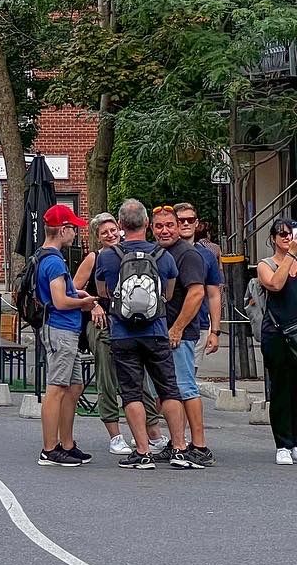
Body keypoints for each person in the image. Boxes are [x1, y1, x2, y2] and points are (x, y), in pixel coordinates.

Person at [93, 199, 191, 470]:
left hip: (123, 332)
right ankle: (179, 449)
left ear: (121, 225)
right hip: (157, 330)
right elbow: (168, 295)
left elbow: (102, 291)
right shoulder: (164, 256)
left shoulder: (107, 256)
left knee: (132, 393)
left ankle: (143, 451)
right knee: (169, 389)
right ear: (148, 224)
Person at [71, 212, 167, 456]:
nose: (110, 235)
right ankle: (115, 435)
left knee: (139, 379)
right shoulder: (94, 258)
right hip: (102, 325)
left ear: (121, 228)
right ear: (97, 237)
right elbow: (73, 290)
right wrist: (94, 304)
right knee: (108, 378)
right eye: (104, 232)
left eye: (113, 230)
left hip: (130, 324)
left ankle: (152, 431)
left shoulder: (129, 254)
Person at [33, 205, 101, 466]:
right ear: (62, 230)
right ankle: (49, 449)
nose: (75, 232)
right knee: (57, 387)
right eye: (72, 228)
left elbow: (63, 293)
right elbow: (60, 301)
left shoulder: (44, 256)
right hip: (61, 328)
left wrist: (77, 293)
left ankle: (67, 443)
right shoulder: (54, 261)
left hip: (62, 329)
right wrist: (83, 303)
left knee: (73, 386)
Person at [153, 205, 215, 468]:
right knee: (171, 390)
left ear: (179, 227)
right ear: (151, 229)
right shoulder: (159, 252)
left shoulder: (187, 254)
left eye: (170, 225)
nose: (165, 230)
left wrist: (177, 328)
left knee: (186, 387)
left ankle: (200, 446)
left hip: (181, 334)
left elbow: (197, 293)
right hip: (163, 333)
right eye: (159, 226)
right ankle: (177, 442)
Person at [256, 218, 297, 464]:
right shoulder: (266, 264)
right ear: (273, 238)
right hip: (278, 333)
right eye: (281, 234)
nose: (286, 237)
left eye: (290, 233)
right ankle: (283, 443)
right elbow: (276, 283)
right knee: (281, 388)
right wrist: (290, 255)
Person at [175, 203, 224, 360]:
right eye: (181, 220)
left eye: (190, 219)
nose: (186, 223)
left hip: (200, 325)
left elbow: (214, 295)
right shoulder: (163, 252)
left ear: (197, 223)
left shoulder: (207, 255)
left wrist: (215, 331)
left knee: (189, 378)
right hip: (169, 324)